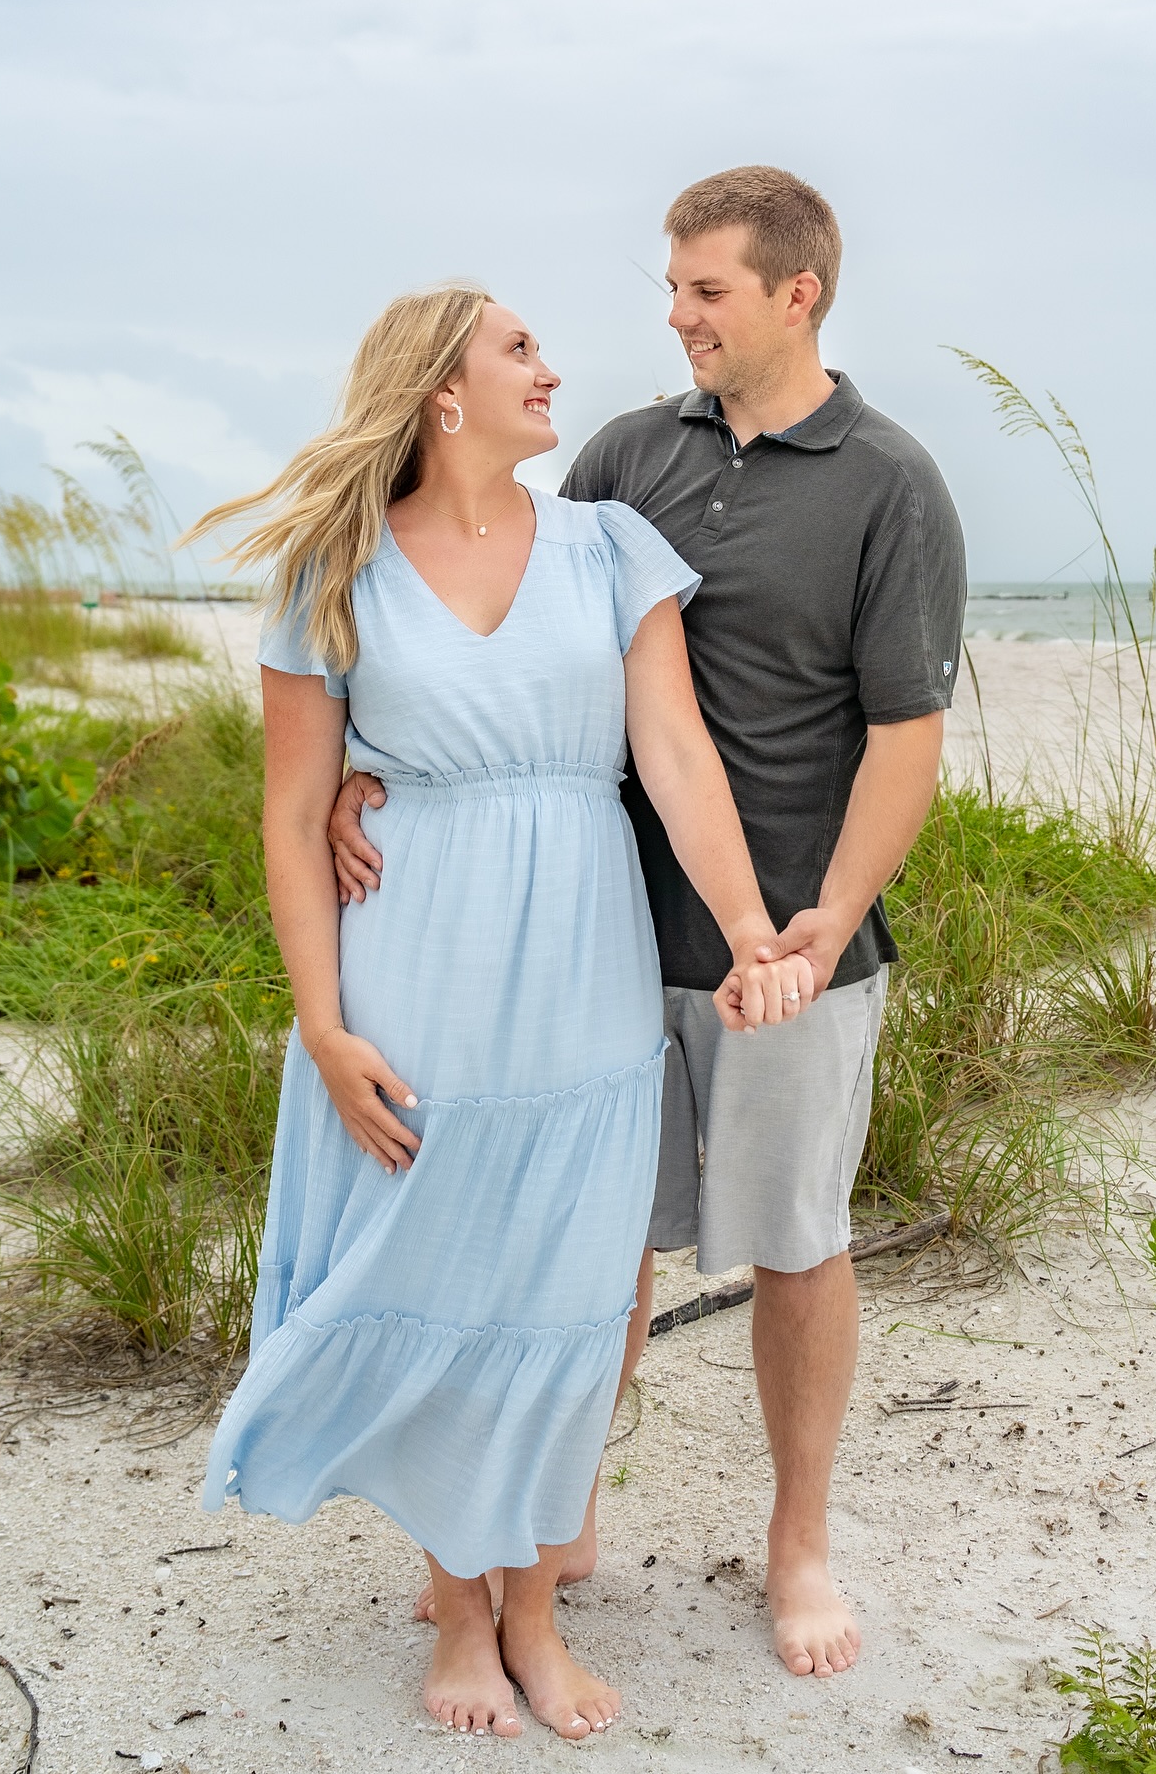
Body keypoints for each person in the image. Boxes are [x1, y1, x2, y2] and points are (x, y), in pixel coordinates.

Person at [329, 167, 968, 1681]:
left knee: (795, 1244)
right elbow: (502, 603)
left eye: (707, 292)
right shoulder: (622, 454)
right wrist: (374, 762)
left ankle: (797, 1541)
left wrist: (822, 926)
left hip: (795, 943)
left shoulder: (891, 481)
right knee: (586, 1242)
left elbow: (908, 736)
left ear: (797, 295)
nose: (675, 316)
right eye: (672, 288)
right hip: (603, 933)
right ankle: (563, 1517)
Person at [188, 284, 812, 1741]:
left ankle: (533, 1610)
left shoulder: (608, 547)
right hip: (416, 965)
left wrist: (745, 931)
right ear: (441, 395)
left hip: (581, 963)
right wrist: (324, 1027)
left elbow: (673, 753)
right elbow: (292, 820)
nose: (553, 369)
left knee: (573, 1294)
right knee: (449, 1274)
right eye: (520, 349)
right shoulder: (331, 570)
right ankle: (460, 1613)